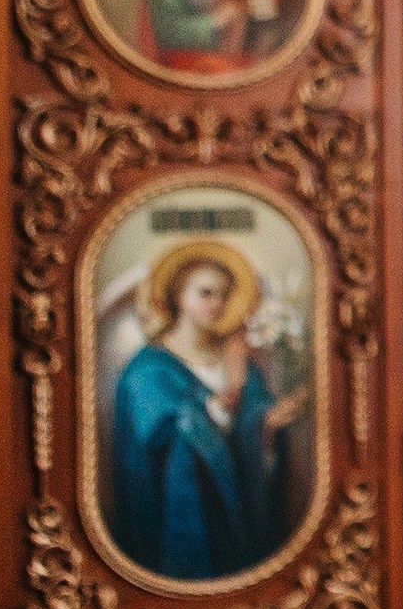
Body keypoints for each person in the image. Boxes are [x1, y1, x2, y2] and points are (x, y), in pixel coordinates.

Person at [110, 243, 306, 582]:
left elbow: (253, 422)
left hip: (235, 518)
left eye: (223, 295)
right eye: (206, 293)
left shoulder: (237, 358)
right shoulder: (147, 370)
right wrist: (225, 398)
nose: (217, 304)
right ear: (178, 296)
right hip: (180, 519)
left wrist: (266, 426)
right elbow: (157, 441)